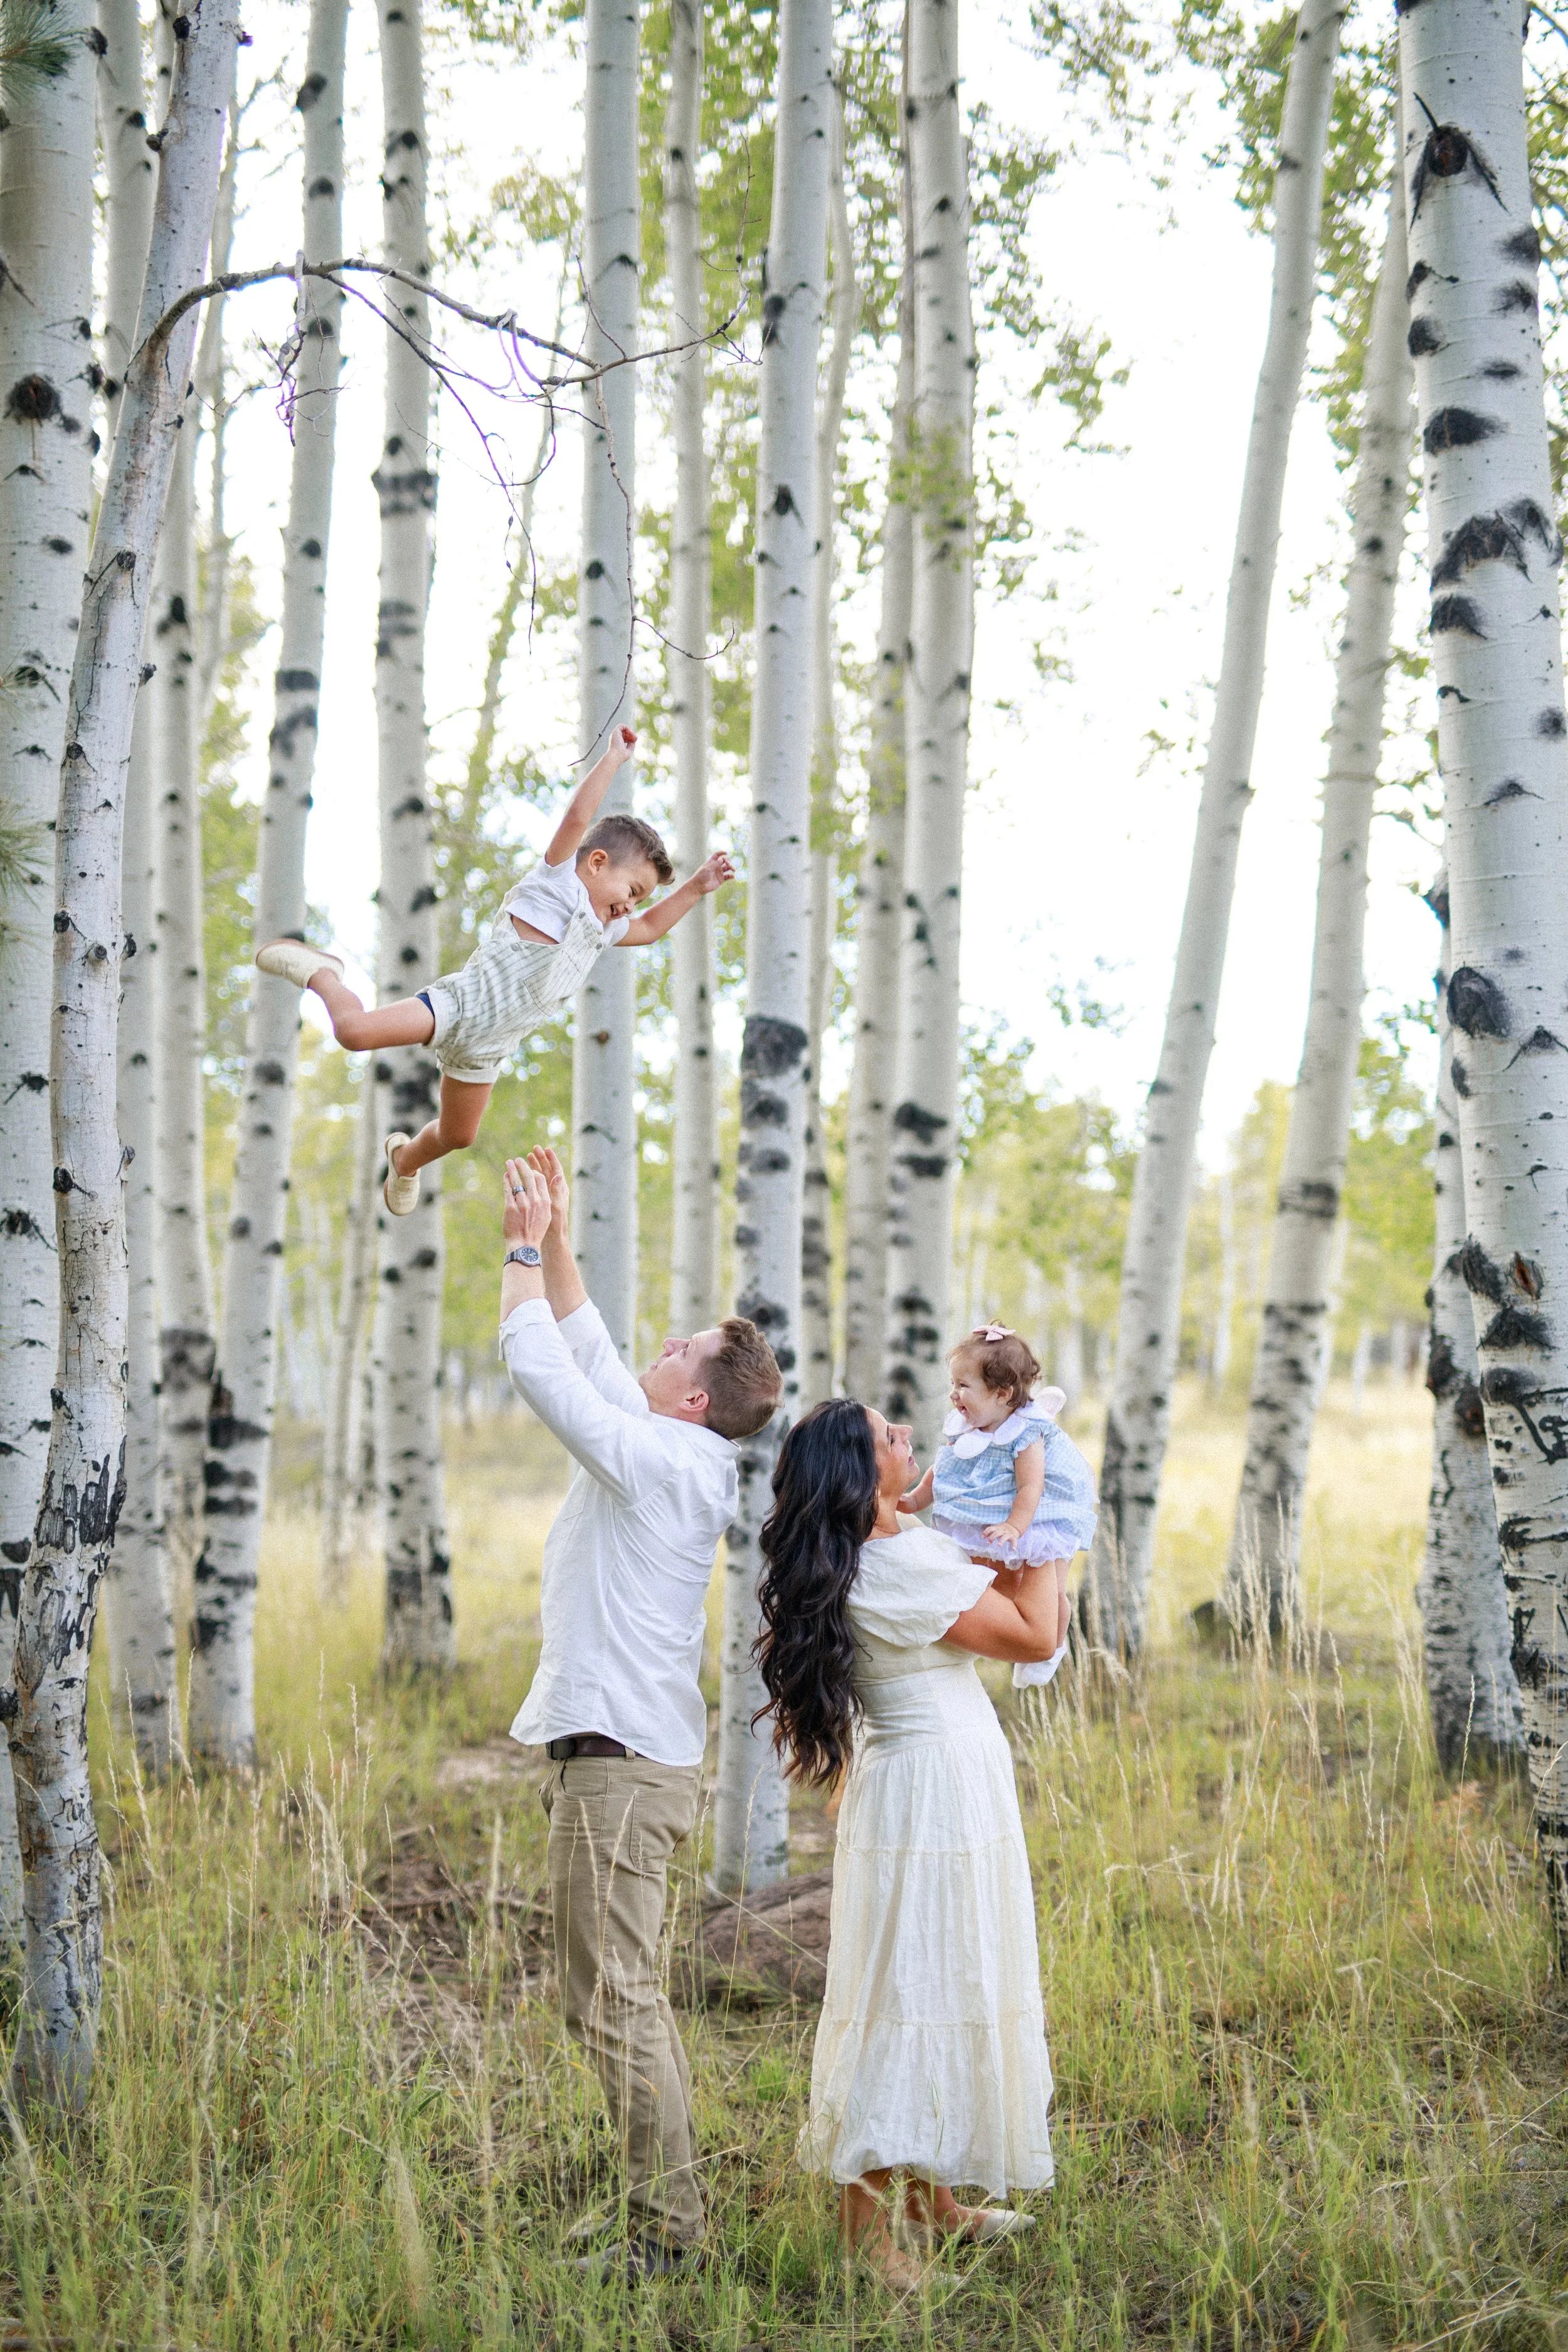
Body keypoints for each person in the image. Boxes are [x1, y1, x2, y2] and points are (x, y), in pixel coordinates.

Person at [497, 1148, 782, 2280]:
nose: (657, 1350)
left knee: (612, 1999)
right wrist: (557, 1235)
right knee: (610, 1995)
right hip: (620, 1761)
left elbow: (538, 1368)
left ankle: (668, 2236)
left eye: (681, 1350)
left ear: (699, 1396)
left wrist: (519, 1252)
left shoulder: (662, 1462)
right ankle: (655, 2208)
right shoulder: (671, 1447)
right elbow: (590, 1346)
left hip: (619, 1769)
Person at [755, 1398, 1061, 2289]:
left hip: (943, 1782)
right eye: (889, 1436)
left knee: (948, 1972)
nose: (909, 1438)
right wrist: (1056, 1529)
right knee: (910, 1990)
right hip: (928, 1794)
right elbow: (1035, 1630)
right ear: (859, 1475)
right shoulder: (886, 1569)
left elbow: (981, 1579)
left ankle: (931, 2200)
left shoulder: (892, 1547)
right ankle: (865, 2230)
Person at [252, 726, 733, 1214]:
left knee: (458, 1134)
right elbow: (577, 817)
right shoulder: (558, 881)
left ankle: (404, 1161)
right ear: (596, 863)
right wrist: (612, 760)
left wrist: (697, 886)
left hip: (488, 1049)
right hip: (457, 1008)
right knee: (354, 1034)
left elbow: (650, 928)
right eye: (631, 891)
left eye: (637, 901)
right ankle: (323, 974)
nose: (630, 908)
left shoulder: (604, 929)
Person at [898, 1323, 1098, 1690]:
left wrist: (1016, 1528)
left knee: (1051, 1588)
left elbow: (1030, 1486)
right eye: (953, 1384)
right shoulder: (967, 1425)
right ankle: (1022, 1644)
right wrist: (915, 1499)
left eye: (964, 1386)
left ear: (1002, 1393)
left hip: (1039, 1513)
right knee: (1007, 1588)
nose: (954, 1394)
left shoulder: (1024, 1432)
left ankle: (1053, 1645)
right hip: (993, 1506)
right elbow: (942, 1470)